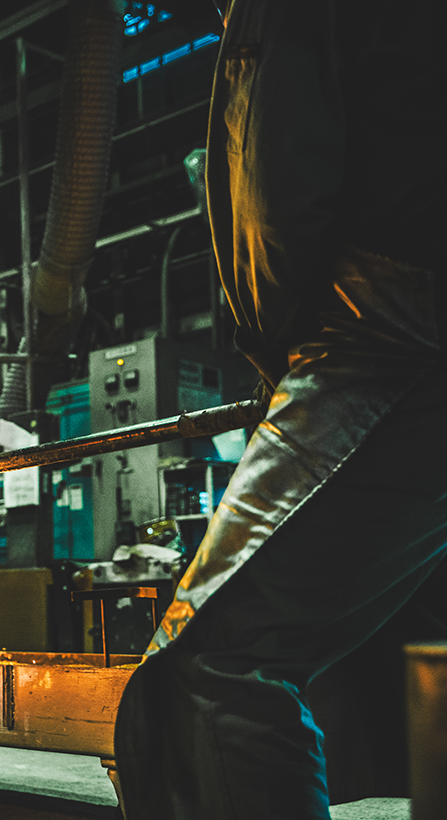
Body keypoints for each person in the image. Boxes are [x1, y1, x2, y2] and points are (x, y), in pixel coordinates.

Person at [113, 1, 447, 818]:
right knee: (422, 654)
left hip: (391, 332)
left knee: (215, 664)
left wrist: (286, 365)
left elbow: (275, 193)